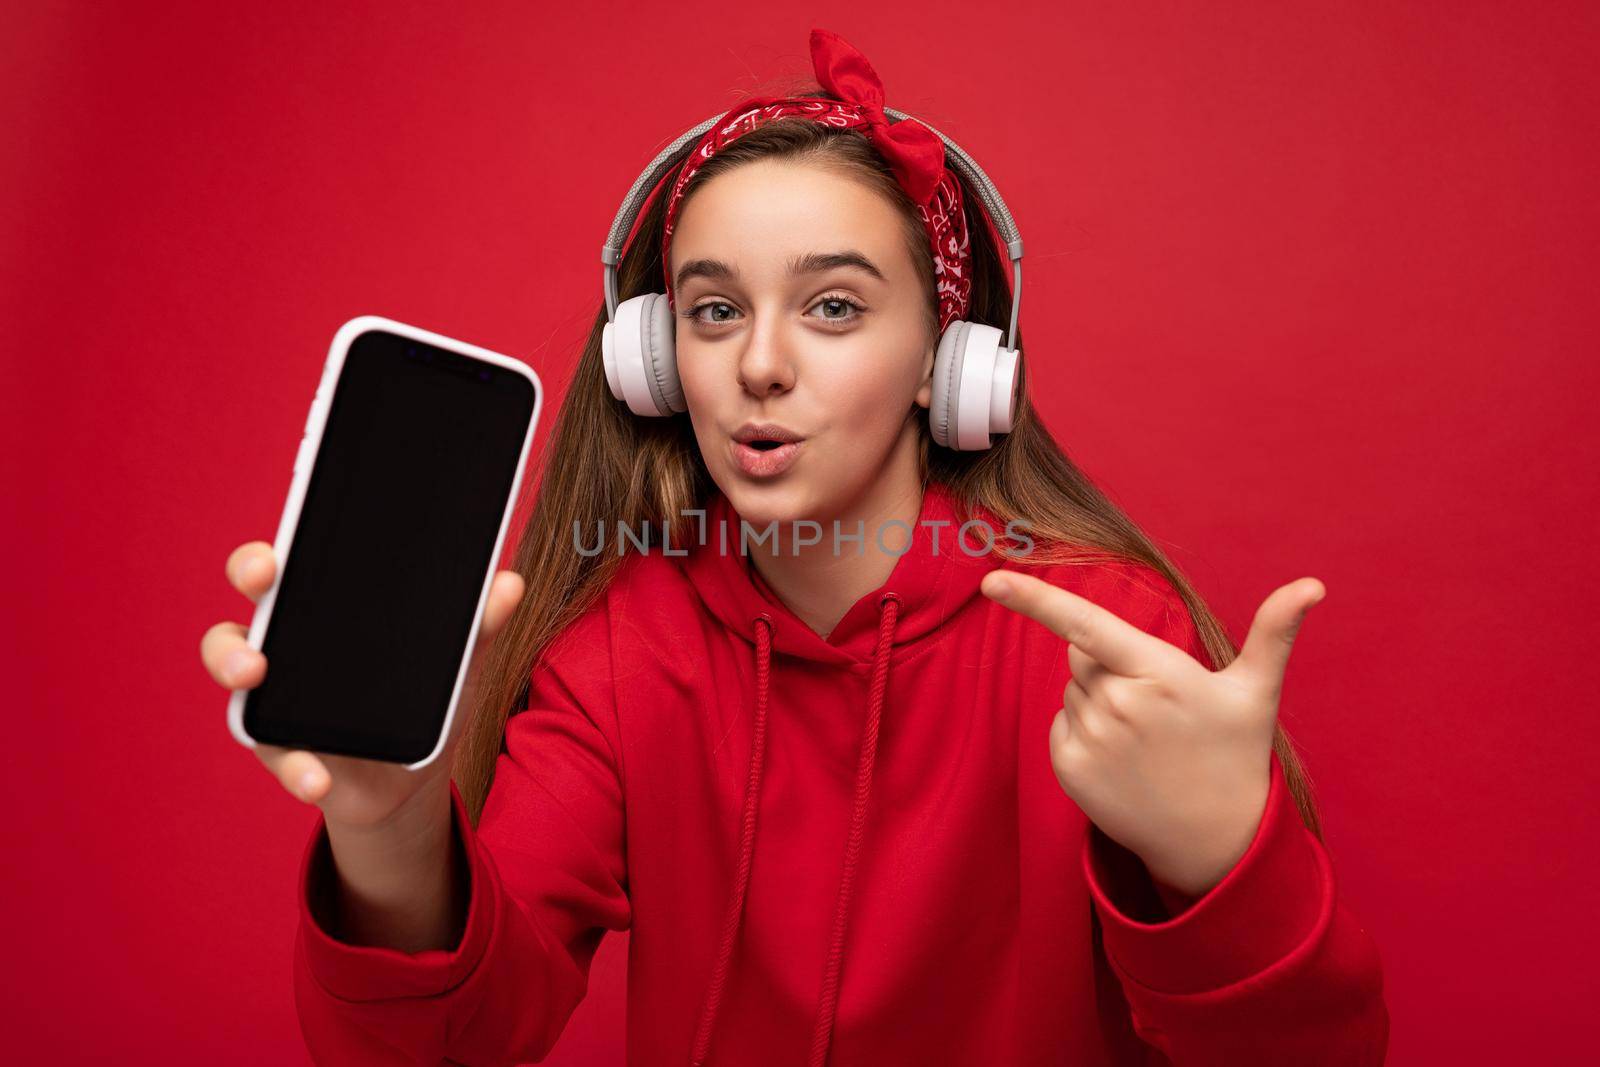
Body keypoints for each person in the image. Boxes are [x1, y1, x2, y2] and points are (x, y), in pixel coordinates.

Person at [200, 28, 1389, 1067]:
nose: (759, 364)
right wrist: (393, 833)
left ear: (948, 359)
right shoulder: (624, 654)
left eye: (832, 306)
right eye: (714, 310)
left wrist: (1217, 862)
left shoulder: (1104, 641)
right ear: (657, 362)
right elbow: (452, 1038)